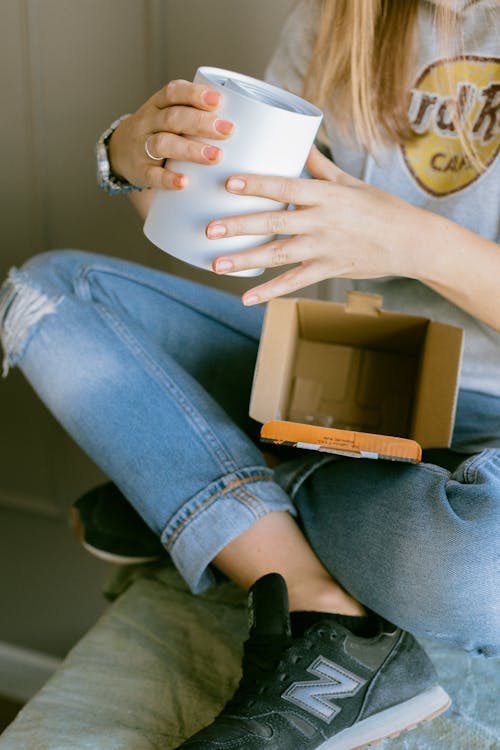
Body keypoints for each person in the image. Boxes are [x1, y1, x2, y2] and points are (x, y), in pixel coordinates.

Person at [1, 0, 499, 747]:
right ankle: (320, 613)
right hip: (347, 383)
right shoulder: (344, 19)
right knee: (47, 297)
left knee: (474, 574)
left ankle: (210, 476)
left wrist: (416, 245)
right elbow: (241, 228)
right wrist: (135, 159)